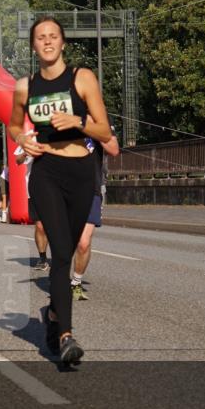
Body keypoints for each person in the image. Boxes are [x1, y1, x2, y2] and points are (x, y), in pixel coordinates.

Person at [9, 16, 112, 367]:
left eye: (53, 36)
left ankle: (53, 317)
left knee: (68, 253)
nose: (48, 42)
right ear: (34, 46)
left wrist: (78, 122)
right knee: (61, 251)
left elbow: (104, 128)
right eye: (41, 37)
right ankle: (67, 335)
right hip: (46, 172)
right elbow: (12, 123)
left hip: (81, 171)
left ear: (63, 42)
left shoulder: (82, 78)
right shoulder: (26, 85)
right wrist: (23, 138)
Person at [71, 129, 119, 301]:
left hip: (91, 189)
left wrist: (88, 126)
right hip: (63, 188)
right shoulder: (61, 113)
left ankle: (76, 282)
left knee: (83, 243)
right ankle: (59, 280)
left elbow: (113, 149)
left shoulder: (100, 119)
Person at [15, 138, 49, 271]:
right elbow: (18, 160)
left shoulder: (59, 133)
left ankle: (61, 257)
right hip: (35, 189)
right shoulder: (29, 137)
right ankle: (42, 258)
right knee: (40, 226)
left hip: (57, 187)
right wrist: (26, 153)